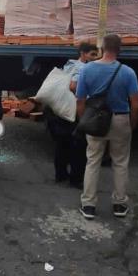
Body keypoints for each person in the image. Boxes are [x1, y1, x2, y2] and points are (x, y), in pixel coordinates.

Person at [76, 34, 138, 220]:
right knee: (120, 163)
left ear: (102, 49)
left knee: (93, 161)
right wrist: (131, 124)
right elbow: (136, 105)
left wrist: (84, 122)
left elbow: (80, 101)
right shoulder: (128, 72)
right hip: (120, 120)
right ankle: (120, 205)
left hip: (96, 120)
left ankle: (89, 205)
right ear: (119, 49)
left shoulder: (87, 70)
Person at [45, 42, 99, 187]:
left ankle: (60, 175)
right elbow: (73, 86)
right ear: (83, 53)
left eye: (96, 54)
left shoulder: (69, 64)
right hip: (75, 110)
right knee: (78, 147)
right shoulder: (83, 68)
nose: (95, 57)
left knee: (62, 144)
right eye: (92, 54)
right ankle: (75, 179)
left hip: (61, 110)